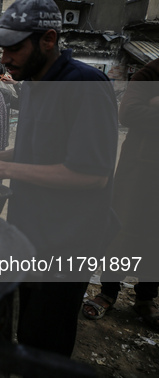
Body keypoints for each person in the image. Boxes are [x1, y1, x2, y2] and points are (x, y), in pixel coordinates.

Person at [0, 0, 119, 357]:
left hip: (67, 241)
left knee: (48, 339)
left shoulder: (85, 86)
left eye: (14, 48)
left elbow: (92, 175)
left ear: (49, 39)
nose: (4, 59)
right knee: (30, 328)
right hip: (31, 231)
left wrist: (4, 168)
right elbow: (36, 151)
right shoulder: (33, 84)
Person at [82, 59, 159, 330]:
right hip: (140, 173)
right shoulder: (150, 73)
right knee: (124, 228)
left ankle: (147, 297)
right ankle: (108, 292)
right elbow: (129, 113)